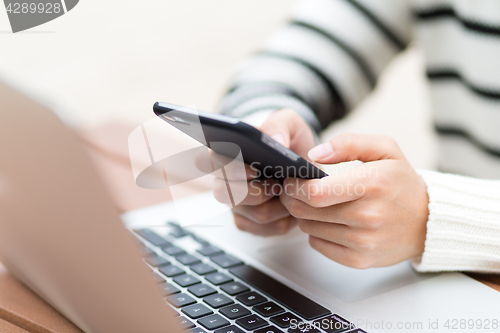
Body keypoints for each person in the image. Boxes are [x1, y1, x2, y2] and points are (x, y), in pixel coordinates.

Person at [213, 0, 500, 272]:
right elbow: (293, 59)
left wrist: (435, 217)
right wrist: (266, 136)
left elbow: (430, 218)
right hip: (440, 273)